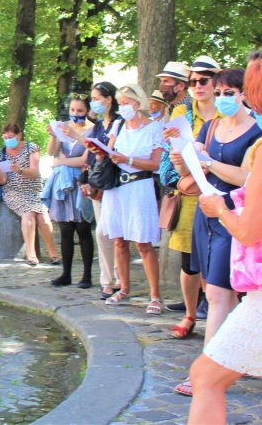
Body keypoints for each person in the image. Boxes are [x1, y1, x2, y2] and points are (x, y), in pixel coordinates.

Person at [171, 67, 262, 396]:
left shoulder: (256, 134)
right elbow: (188, 164)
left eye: (229, 93)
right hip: (206, 213)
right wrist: (180, 153)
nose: (222, 98)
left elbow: (247, 180)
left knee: (219, 294)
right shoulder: (209, 126)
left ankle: (207, 370)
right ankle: (236, 359)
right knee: (218, 289)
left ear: (244, 94)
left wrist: (207, 162)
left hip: (235, 216)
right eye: (218, 92)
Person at [162, 56, 221, 340]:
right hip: (190, 196)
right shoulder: (181, 115)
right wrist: (179, 169)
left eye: (204, 80)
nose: (198, 86)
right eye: (193, 81)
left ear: (216, 81)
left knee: (221, 261)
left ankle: (219, 316)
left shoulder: (229, 112)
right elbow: (173, 161)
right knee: (190, 261)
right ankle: (190, 313)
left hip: (224, 193)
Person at [94, 84, 164, 314]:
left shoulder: (154, 128)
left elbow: (155, 164)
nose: (122, 107)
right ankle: (123, 287)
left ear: (138, 103)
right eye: (120, 103)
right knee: (119, 239)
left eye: (126, 103)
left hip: (140, 185)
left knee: (143, 242)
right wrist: (101, 153)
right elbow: (110, 151)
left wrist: (129, 159)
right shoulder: (118, 125)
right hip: (117, 187)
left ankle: (155, 295)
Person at [44, 94, 95, 288]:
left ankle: (87, 275)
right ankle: (66, 273)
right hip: (63, 181)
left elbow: (85, 158)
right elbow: (51, 152)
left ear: (87, 111)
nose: (75, 114)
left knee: (83, 228)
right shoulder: (63, 126)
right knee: (65, 229)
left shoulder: (92, 129)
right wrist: (54, 135)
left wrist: (61, 161)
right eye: (73, 110)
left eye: (80, 111)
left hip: (82, 178)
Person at [0, 123, 58, 265]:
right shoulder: (2, 153)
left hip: (33, 191)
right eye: (5, 137)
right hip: (13, 192)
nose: (8, 140)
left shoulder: (31, 148)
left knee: (43, 217)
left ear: (19, 136)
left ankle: (53, 253)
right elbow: (2, 181)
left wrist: (20, 170)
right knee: (28, 213)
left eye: (10, 137)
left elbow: (34, 172)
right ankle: (31, 254)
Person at [84, 81, 122, 299]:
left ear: (109, 100)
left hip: (114, 182)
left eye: (97, 98)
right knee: (103, 232)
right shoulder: (98, 126)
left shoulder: (118, 123)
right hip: (99, 183)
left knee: (108, 232)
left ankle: (117, 278)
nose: (93, 102)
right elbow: (91, 155)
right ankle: (107, 280)